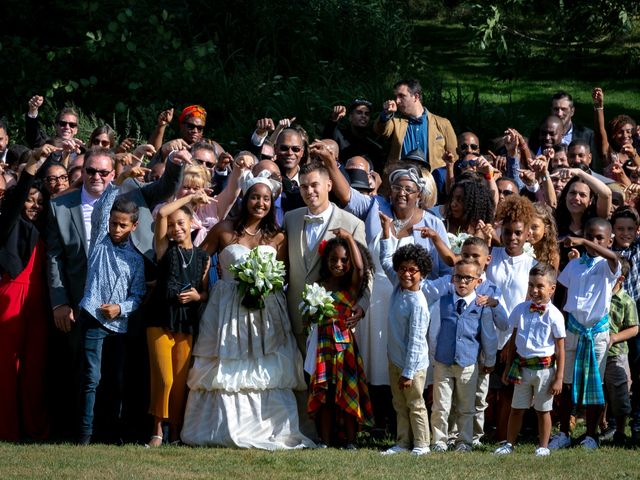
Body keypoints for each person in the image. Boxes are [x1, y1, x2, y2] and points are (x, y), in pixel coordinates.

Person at [181, 173, 312, 449]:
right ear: (245, 198)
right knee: (227, 364)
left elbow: (285, 274)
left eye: (266, 199)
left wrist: (266, 285)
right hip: (227, 307)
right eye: (255, 197)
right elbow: (200, 262)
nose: (260, 203)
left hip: (267, 310)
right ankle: (221, 428)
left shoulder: (278, 237)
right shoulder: (224, 229)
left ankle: (269, 427)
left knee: (264, 365)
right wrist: (202, 291)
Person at [76, 183, 146, 445]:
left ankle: (110, 433)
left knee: (115, 381)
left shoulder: (135, 260)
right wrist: (121, 179)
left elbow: (137, 296)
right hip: (93, 319)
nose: (116, 229)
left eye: (122, 225)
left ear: (133, 227)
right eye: (114, 223)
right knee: (91, 378)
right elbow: (102, 209)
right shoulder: (99, 242)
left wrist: (120, 308)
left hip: (118, 325)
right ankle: (84, 433)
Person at [283, 160, 370, 353]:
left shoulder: (352, 224)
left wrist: (362, 305)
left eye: (314, 185)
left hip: (336, 319)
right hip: (296, 316)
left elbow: (365, 271)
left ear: (329, 185)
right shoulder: (291, 218)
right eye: (304, 186)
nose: (309, 191)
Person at [146, 192, 211, 447]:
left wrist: (198, 296)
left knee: (181, 381)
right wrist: (191, 198)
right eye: (172, 225)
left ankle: (176, 429)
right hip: (159, 318)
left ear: (192, 225)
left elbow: (205, 292)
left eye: (181, 223)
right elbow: (162, 213)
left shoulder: (203, 257)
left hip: (187, 322)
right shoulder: (164, 249)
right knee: (165, 378)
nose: (175, 229)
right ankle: (157, 429)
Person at [550, 217, 621, 450]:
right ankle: (564, 432)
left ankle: (591, 434)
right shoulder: (575, 265)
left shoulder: (607, 265)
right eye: (589, 236)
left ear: (609, 240)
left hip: (596, 333)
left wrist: (581, 240)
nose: (593, 241)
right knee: (567, 383)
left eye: (599, 238)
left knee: (594, 384)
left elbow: (614, 258)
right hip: (573, 330)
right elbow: (562, 294)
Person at [0, 145, 55, 441]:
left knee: (35, 369)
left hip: (40, 301)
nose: (34, 205)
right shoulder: (8, 224)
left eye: (39, 201)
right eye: (29, 201)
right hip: (9, 297)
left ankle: (34, 430)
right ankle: (6, 429)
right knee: (6, 367)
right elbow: (16, 200)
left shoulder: (46, 228)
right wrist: (32, 167)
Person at [306, 232, 375, 449]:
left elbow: (360, 269)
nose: (338, 264)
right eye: (333, 259)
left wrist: (349, 239)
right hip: (323, 345)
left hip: (344, 346)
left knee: (347, 389)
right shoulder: (319, 285)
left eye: (344, 260)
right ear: (326, 260)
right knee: (325, 393)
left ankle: (351, 440)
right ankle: (325, 441)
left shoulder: (351, 287)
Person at [494, 263, 565, 457]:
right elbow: (514, 342)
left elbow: (560, 349)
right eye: (531, 285)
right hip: (522, 368)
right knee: (517, 408)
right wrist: (508, 368)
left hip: (545, 370)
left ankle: (543, 446)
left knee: (543, 410)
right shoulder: (520, 309)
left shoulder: (555, 316)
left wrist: (558, 377)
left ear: (552, 288)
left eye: (540, 286)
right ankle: (509, 443)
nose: (534, 290)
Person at [427, 258, 498, 452]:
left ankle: (464, 441)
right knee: (440, 405)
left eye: (468, 278)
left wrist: (489, 359)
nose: (463, 282)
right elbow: (434, 332)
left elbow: (488, 336)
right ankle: (440, 441)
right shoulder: (442, 303)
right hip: (443, 362)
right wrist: (434, 356)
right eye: (459, 277)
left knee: (466, 406)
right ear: (452, 279)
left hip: (468, 364)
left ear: (478, 281)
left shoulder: (481, 306)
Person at [485, 195, 538, 441]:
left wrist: (512, 340)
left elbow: (528, 303)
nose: (513, 238)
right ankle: (479, 432)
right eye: (508, 232)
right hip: (486, 330)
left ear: (528, 233)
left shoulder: (532, 264)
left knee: (507, 388)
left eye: (518, 232)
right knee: (484, 386)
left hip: (514, 335)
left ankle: (504, 436)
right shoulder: (490, 255)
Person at [378, 234, 432, 456]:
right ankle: (402, 443)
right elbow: (385, 259)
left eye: (412, 270)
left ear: (422, 273)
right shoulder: (398, 287)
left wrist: (408, 372)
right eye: (402, 268)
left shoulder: (418, 303)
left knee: (415, 404)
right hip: (395, 359)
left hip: (413, 366)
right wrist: (385, 231)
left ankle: (422, 444)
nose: (406, 274)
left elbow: (417, 341)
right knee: (399, 404)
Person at [374, 78, 457, 171]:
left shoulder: (443, 123)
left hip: (433, 181)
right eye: (396, 96)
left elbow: (454, 157)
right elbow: (380, 130)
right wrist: (386, 114)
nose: (397, 101)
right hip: (402, 180)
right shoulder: (396, 122)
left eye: (402, 96)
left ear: (416, 97)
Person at [603, 256, 639, 446]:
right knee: (598, 392)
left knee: (620, 393)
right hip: (595, 353)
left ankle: (620, 430)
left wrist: (614, 338)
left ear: (620, 279)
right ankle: (598, 428)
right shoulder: (597, 297)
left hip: (616, 353)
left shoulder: (626, 301)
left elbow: (634, 328)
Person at [322, 98, 383, 170]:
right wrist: (334, 118)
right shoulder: (339, 136)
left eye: (367, 114)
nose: (363, 116)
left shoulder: (373, 148)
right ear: (350, 117)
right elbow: (327, 136)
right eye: (359, 112)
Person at [592, 87, 639, 168]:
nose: (625, 135)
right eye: (620, 132)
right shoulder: (608, 153)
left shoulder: (638, 150)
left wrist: (634, 155)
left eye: (628, 131)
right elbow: (600, 131)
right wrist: (599, 107)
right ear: (613, 135)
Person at [529, 203, 561, 271]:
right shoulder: (517, 249)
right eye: (526, 225)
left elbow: (551, 280)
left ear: (546, 229)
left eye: (534, 227)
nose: (529, 231)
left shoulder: (552, 256)